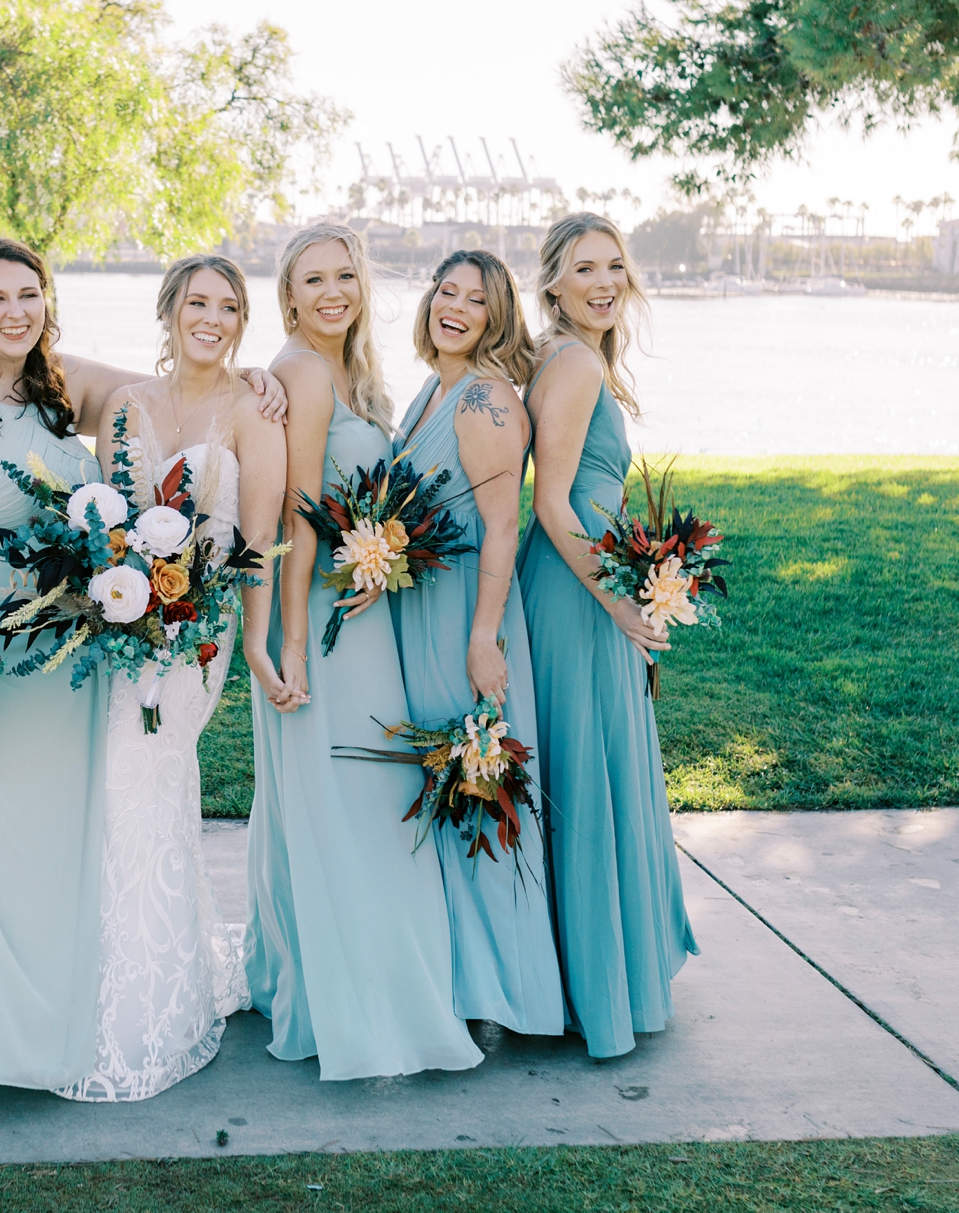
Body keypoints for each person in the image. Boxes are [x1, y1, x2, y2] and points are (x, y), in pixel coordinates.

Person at [0, 238, 286, 1091]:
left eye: (30, 295)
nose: (15, 312)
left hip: (64, 646)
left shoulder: (46, 379)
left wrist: (259, 379)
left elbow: (161, 387)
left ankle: (59, 1004)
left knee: (48, 835)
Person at [246, 224, 485, 1080]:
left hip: (358, 612)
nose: (334, 292)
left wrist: (382, 561)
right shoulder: (304, 371)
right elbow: (295, 517)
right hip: (325, 629)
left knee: (361, 802)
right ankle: (368, 1002)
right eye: (314, 281)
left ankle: (347, 981)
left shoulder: (346, 370)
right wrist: (297, 644)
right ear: (290, 296)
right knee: (353, 807)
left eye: (346, 275)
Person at [55, 254, 285, 1102]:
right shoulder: (124, 404)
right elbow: (94, 498)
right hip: (117, 620)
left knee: (147, 774)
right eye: (198, 302)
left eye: (229, 307)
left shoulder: (256, 413)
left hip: (197, 633)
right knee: (110, 787)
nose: (213, 319)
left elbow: (258, 546)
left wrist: (254, 644)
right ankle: (93, 977)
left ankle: (150, 1004)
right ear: (168, 309)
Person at [518, 212, 697, 1058]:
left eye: (615, 267)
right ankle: (593, 985)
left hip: (584, 580)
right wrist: (619, 603)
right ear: (552, 281)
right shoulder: (577, 360)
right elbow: (551, 502)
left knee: (580, 765)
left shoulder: (563, 357)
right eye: (584, 268)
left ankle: (575, 977)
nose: (603, 282)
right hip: (577, 591)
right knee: (585, 767)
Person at [391, 249, 565, 1039]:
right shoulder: (433, 389)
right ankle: (459, 977)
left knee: (476, 789)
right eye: (446, 292)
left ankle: (501, 994)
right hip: (424, 614)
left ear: (499, 316)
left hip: (466, 615)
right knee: (442, 786)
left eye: (476, 299)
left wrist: (484, 640)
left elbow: (501, 525)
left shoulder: (487, 399)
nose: (454, 307)